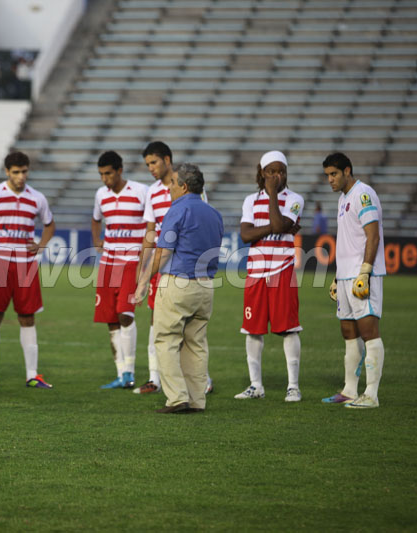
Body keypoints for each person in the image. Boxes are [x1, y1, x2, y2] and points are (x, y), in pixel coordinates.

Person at [136, 163, 223, 413]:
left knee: (165, 340)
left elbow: (163, 252)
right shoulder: (214, 214)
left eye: (173, 183)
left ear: (183, 187)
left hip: (178, 282)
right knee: (196, 344)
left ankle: (177, 398)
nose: (169, 187)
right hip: (206, 285)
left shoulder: (177, 210)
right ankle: (197, 400)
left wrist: (143, 281)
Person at [0, 151, 56, 389]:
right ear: (7, 172)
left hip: (26, 265)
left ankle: (32, 375)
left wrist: (41, 245)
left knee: (27, 317)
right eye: (16, 172)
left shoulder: (37, 198)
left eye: (24, 171)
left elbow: (49, 224)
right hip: (0, 263)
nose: (21, 176)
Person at [235, 150, 304, 402]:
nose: (277, 176)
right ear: (262, 173)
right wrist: (276, 227)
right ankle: (256, 386)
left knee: (289, 329)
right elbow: (246, 235)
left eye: (281, 171)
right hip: (255, 272)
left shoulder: (295, 199)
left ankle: (293, 386)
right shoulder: (250, 200)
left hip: (282, 270)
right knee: (253, 330)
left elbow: (274, 225)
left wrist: (272, 194)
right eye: (272, 171)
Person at [322, 152, 386, 409]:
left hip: (362, 275)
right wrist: (337, 278)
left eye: (334, 174)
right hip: (345, 277)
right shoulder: (343, 199)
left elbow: (373, 236)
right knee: (348, 332)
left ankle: (371, 394)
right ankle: (350, 390)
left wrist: (365, 272)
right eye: (327, 175)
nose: (330, 179)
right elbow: (348, 242)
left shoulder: (363, 194)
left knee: (369, 332)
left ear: (347, 171)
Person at [91, 150, 148, 389]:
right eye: (101, 174)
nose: (105, 179)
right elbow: (96, 219)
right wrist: (97, 240)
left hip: (131, 262)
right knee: (111, 319)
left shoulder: (141, 191)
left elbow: (153, 223)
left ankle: (130, 372)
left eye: (108, 173)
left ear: (120, 171)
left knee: (126, 314)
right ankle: (121, 373)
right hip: (108, 263)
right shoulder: (101, 195)